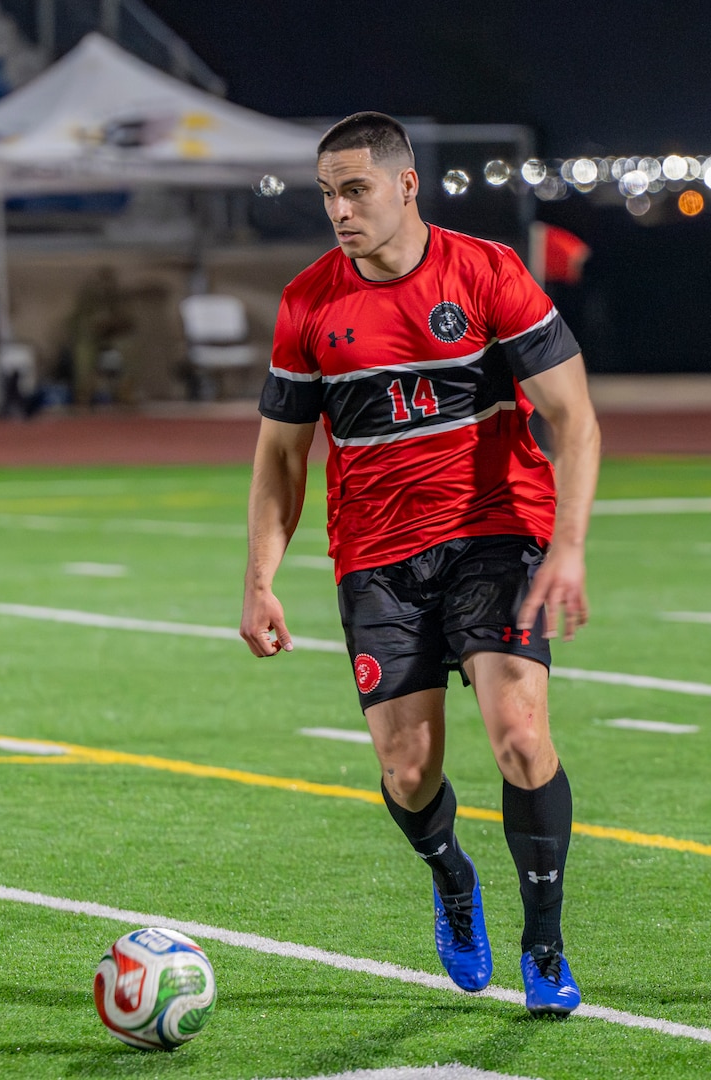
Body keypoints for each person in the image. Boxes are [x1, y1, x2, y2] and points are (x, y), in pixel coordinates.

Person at [238, 114, 600, 1017]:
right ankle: (451, 880)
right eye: (327, 193)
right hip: (378, 557)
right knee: (408, 771)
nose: (338, 210)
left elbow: (576, 419)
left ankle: (545, 943)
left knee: (520, 736)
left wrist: (569, 547)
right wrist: (259, 579)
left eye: (354, 189)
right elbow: (282, 458)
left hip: (496, 533)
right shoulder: (308, 306)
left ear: (407, 187)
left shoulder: (486, 274)